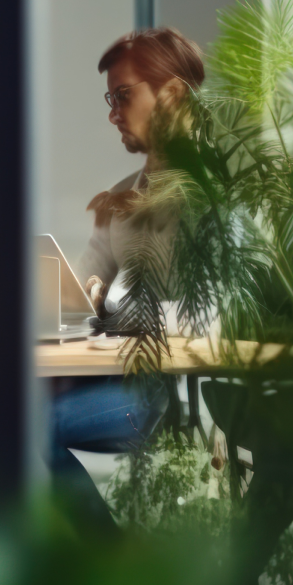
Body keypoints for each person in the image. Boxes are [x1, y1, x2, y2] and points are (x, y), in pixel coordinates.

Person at [50, 28, 206, 534]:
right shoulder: (120, 197)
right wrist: (63, 296)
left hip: (165, 393)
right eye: (110, 99)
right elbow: (82, 285)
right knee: (0, 411)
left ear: (173, 94)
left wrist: (110, 303)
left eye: (123, 96)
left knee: (22, 428)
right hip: (105, 379)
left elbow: (212, 314)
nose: (113, 113)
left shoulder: (214, 195)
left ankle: (107, 560)